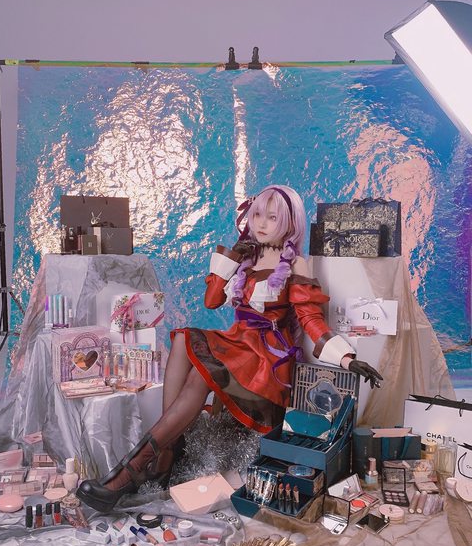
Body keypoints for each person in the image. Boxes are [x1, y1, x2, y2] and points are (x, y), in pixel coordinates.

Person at [77, 185, 382, 512]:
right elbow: (211, 301)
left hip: (265, 358)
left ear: (289, 223)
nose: (261, 223)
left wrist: (346, 359)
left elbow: (310, 319)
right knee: (182, 338)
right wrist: (234, 255)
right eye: (257, 215)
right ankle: (165, 454)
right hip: (238, 341)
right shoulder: (247, 257)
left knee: (201, 375)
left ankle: (132, 471)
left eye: (272, 217)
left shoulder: (297, 265)